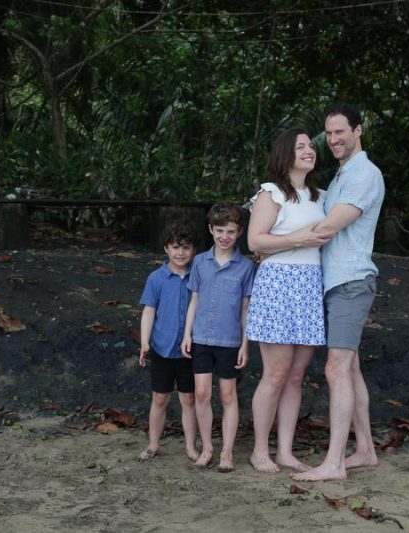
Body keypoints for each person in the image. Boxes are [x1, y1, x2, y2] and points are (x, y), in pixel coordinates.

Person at [293, 103, 385, 482]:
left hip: (351, 282)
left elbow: (327, 228)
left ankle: (334, 463)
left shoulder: (366, 174)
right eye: (328, 134)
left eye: (339, 132)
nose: (332, 140)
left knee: (335, 368)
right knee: (351, 368)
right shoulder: (344, 174)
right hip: (334, 283)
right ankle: (364, 450)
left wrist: (270, 243)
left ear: (358, 130)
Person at [245, 128, 330, 473]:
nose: (310, 150)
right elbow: (255, 241)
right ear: (285, 153)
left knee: (296, 376)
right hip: (278, 285)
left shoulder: (321, 196)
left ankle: (285, 451)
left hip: (310, 285)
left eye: (311, 145)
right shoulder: (271, 193)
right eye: (301, 146)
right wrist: (299, 239)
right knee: (276, 374)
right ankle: (260, 450)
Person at [181, 203, 255, 473]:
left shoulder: (245, 267)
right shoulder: (200, 261)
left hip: (230, 341)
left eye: (231, 231)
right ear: (211, 230)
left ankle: (227, 452)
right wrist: (187, 334)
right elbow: (194, 299)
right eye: (220, 230)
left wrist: (245, 343)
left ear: (240, 233)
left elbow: (246, 309)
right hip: (201, 337)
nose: (225, 236)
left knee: (227, 394)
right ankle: (208, 448)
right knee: (201, 393)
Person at [138, 220, 199, 463]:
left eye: (186, 247)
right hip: (162, 348)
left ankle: (191, 446)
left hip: (189, 351)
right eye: (175, 247)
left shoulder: (198, 275)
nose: (181, 253)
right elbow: (149, 311)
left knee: (189, 399)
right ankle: (153, 444)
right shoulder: (157, 278)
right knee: (160, 397)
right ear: (166, 249)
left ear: (194, 250)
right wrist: (145, 342)